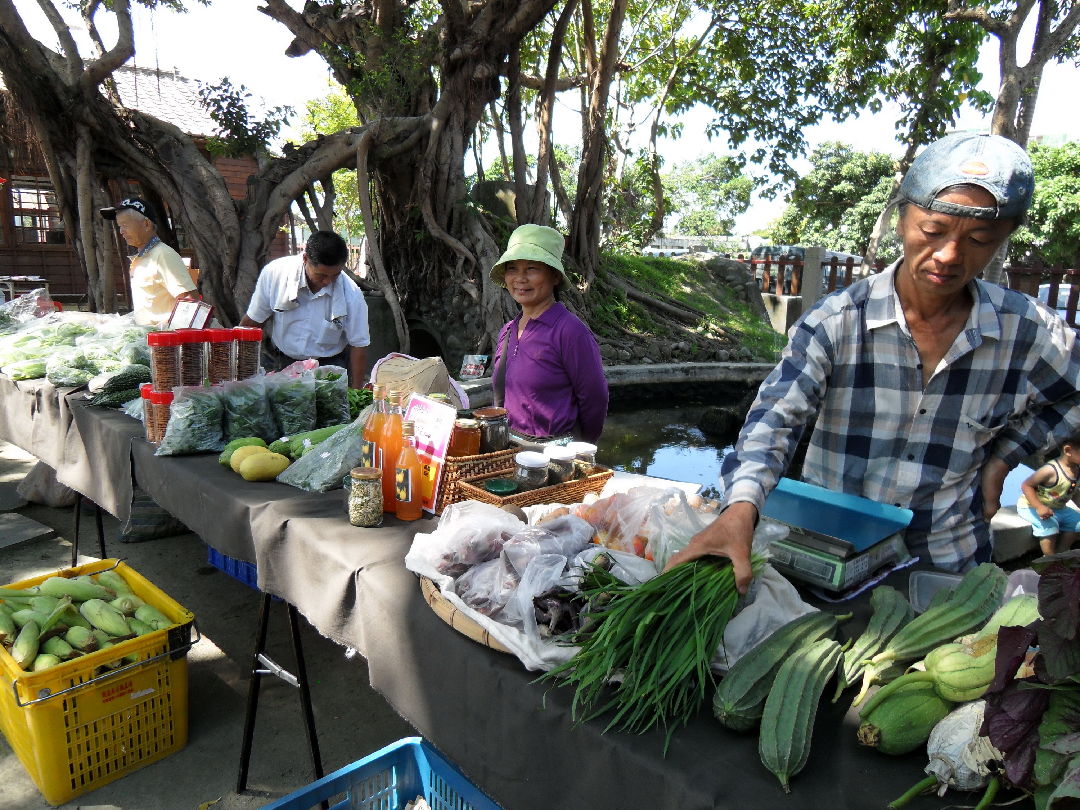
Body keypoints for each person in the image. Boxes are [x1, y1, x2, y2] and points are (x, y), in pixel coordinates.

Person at [667, 132, 1080, 593]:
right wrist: (742, 506)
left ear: (1002, 239)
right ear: (903, 218)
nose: (948, 255)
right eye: (933, 231)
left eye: (978, 239)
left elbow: (1072, 395)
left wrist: (1004, 457)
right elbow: (775, 418)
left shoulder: (1027, 332)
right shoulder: (837, 321)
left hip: (947, 567)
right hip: (829, 565)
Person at [490, 224, 608, 444]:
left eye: (532, 269)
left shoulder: (570, 332)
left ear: (554, 277)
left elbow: (595, 400)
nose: (520, 278)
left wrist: (580, 449)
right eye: (512, 268)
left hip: (556, 459)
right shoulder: (508, 331)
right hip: (510, 452)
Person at [240, 231, 370, 389]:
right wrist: (238, 373)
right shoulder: (275, 275)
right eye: (321, 275)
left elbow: (359, 346)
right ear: (305, 259)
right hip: (281, 360)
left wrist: (355, 391)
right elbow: (253, 322)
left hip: (328, 366)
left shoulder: (352, 294)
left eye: (335, 275)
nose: (328, 281)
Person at [100, 197, 198, 326]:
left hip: (164, 340)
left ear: (146, 224)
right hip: (147, 338)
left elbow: (190, 301)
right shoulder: (142, 257)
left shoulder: (163, 254)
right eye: (119, 226)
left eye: (125, 225)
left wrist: (163, 329)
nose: (121, 232)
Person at [1017, 431, 1080, 556]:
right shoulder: (1050, 470)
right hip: (1032, 506)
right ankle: (1050, 559)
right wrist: (1039, 507)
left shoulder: (1077, 470)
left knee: (1078, 523)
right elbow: (1026, 485)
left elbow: (1073, 492)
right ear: (1068, 451)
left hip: (1059, 508)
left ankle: (1062, 554)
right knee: (1050, 527)